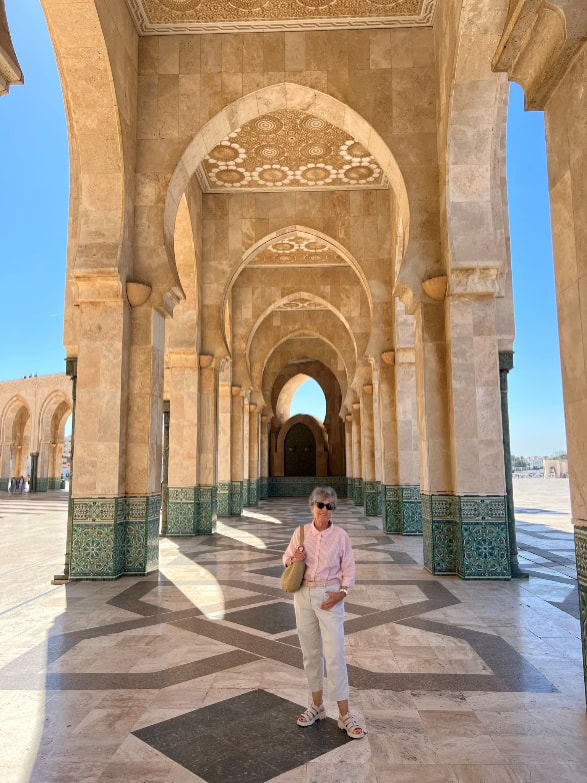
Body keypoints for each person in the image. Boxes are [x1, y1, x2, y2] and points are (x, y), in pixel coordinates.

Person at [282, 486, 365, 739]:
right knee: (311, 653)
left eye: (330, 506)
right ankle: (317, 706)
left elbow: (348, 570)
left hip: (330, 598)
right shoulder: (301, 532)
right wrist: (295, 557)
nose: (325, 510)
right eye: (320, 505)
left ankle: (344, 714)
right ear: (312, 507)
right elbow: (285, 560)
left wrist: (343, 592)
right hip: (304, 595)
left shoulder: (341, 537)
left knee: (335, 654)